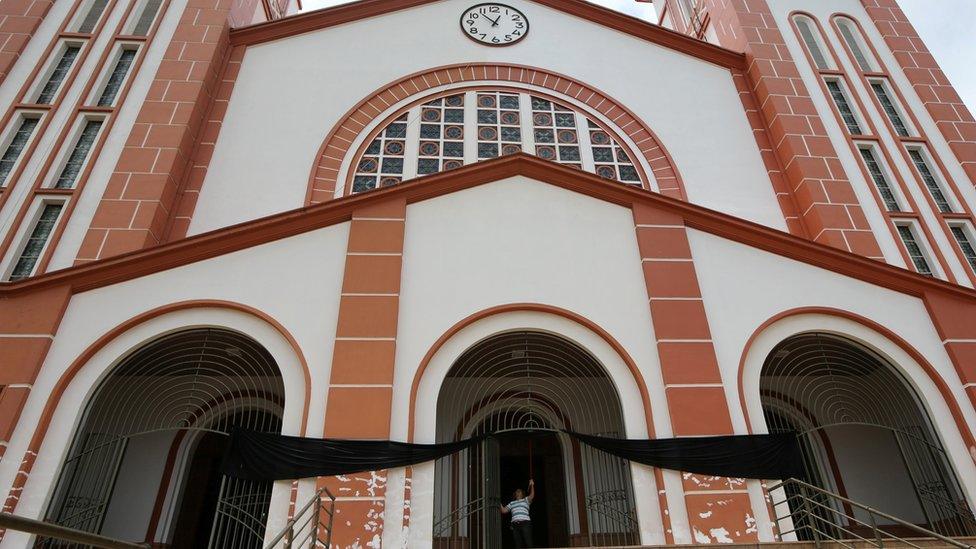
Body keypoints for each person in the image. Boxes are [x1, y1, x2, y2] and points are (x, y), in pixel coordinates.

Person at [500, 479, 535, 548]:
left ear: (522, 493)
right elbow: (503, 511)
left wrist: (532, 485)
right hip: (515, 525)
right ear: (515, 494)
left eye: (519, 491)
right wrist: (498, 502)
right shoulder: (512, 503)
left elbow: (532, 495)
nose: (517, 492)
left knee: (528, 542)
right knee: (517, 544)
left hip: (525, 523)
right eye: (516, 492)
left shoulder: (525, 500)